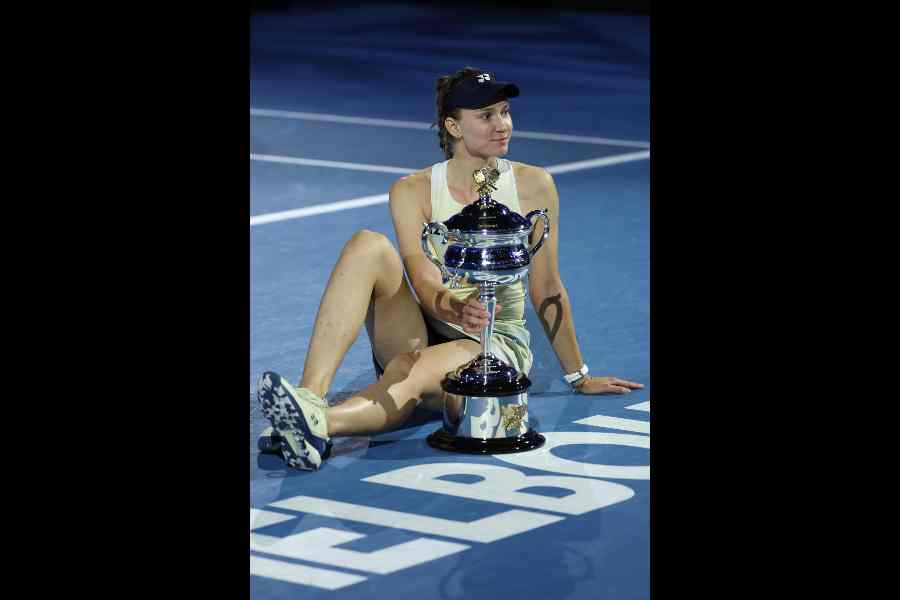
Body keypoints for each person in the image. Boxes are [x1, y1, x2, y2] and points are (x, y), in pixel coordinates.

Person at [256, 67, 643, 470]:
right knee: (367, 245)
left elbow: (546, 286)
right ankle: (309, 399)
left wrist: (579, 376)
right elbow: (422, 278)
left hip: (490, 339)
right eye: (486, 116)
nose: (502, 125)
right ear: (453, 127)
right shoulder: (411, 190)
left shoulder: (535, 185)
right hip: (424, 323)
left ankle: (316, 425)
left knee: (410, 369)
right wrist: (455, 309)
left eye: (505, 112)